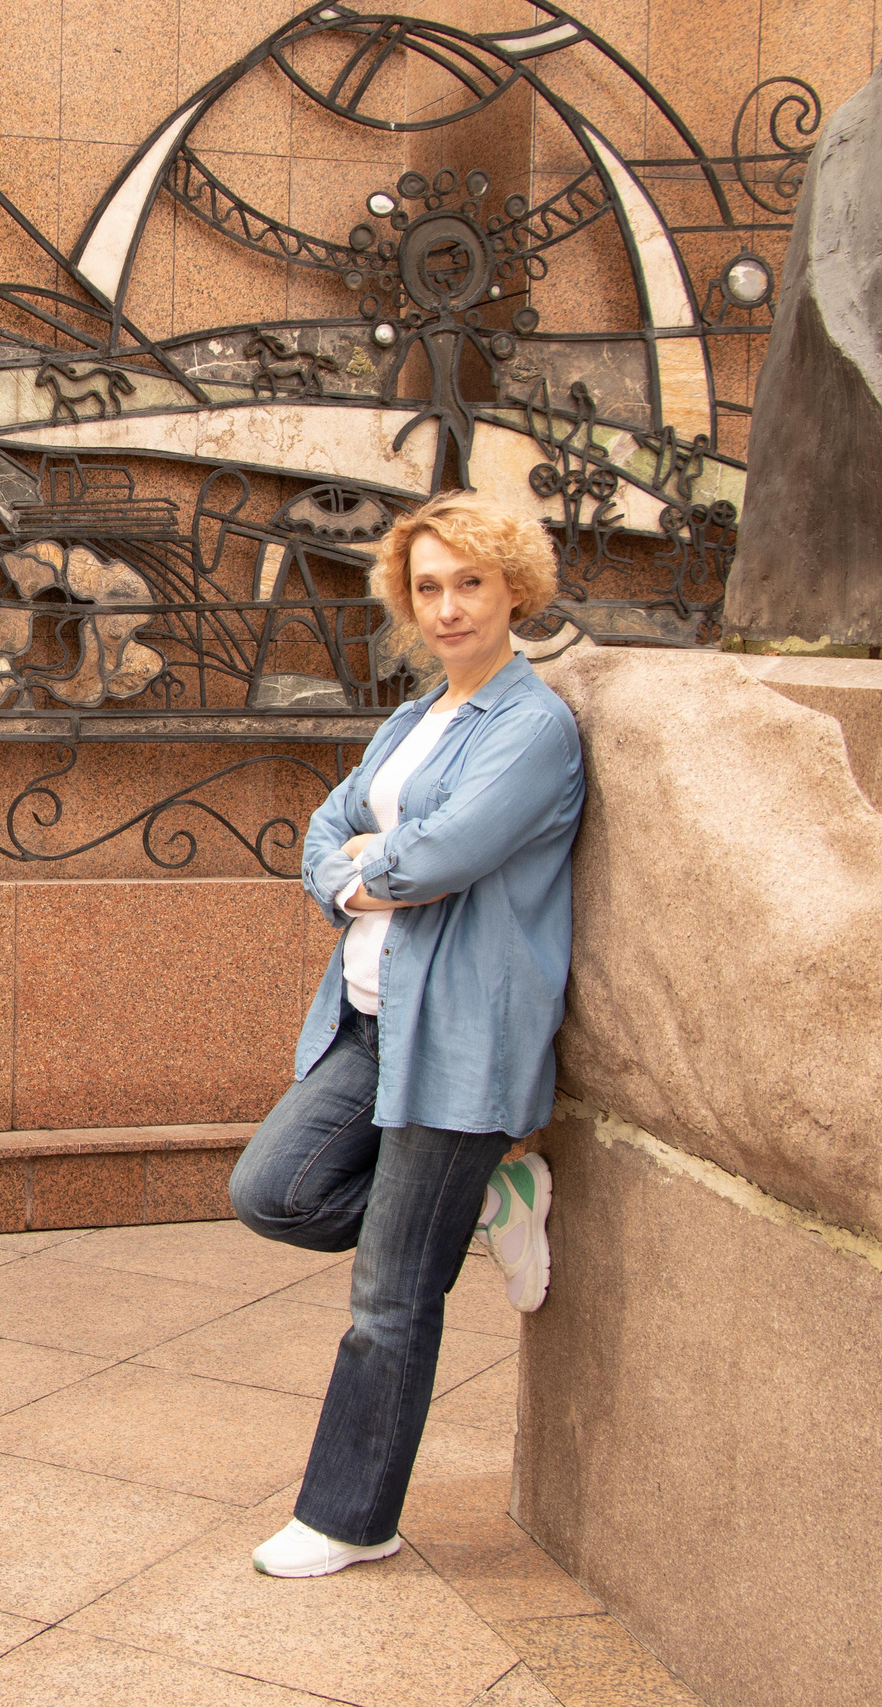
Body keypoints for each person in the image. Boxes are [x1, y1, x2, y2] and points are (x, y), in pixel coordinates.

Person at [229, 489, 584, 1579]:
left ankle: (348, 1518)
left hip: (458, 1044)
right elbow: (325, 833)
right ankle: (481, 1197)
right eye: (425, 587)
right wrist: (360, 873)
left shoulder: (530, 727)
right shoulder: (414, 715)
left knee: (389, 1297)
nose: (446, 608)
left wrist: (363, 871)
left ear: (513, 587)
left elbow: (435, 859)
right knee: (271, 1191)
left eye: (468, 583)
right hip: (372, 1022)